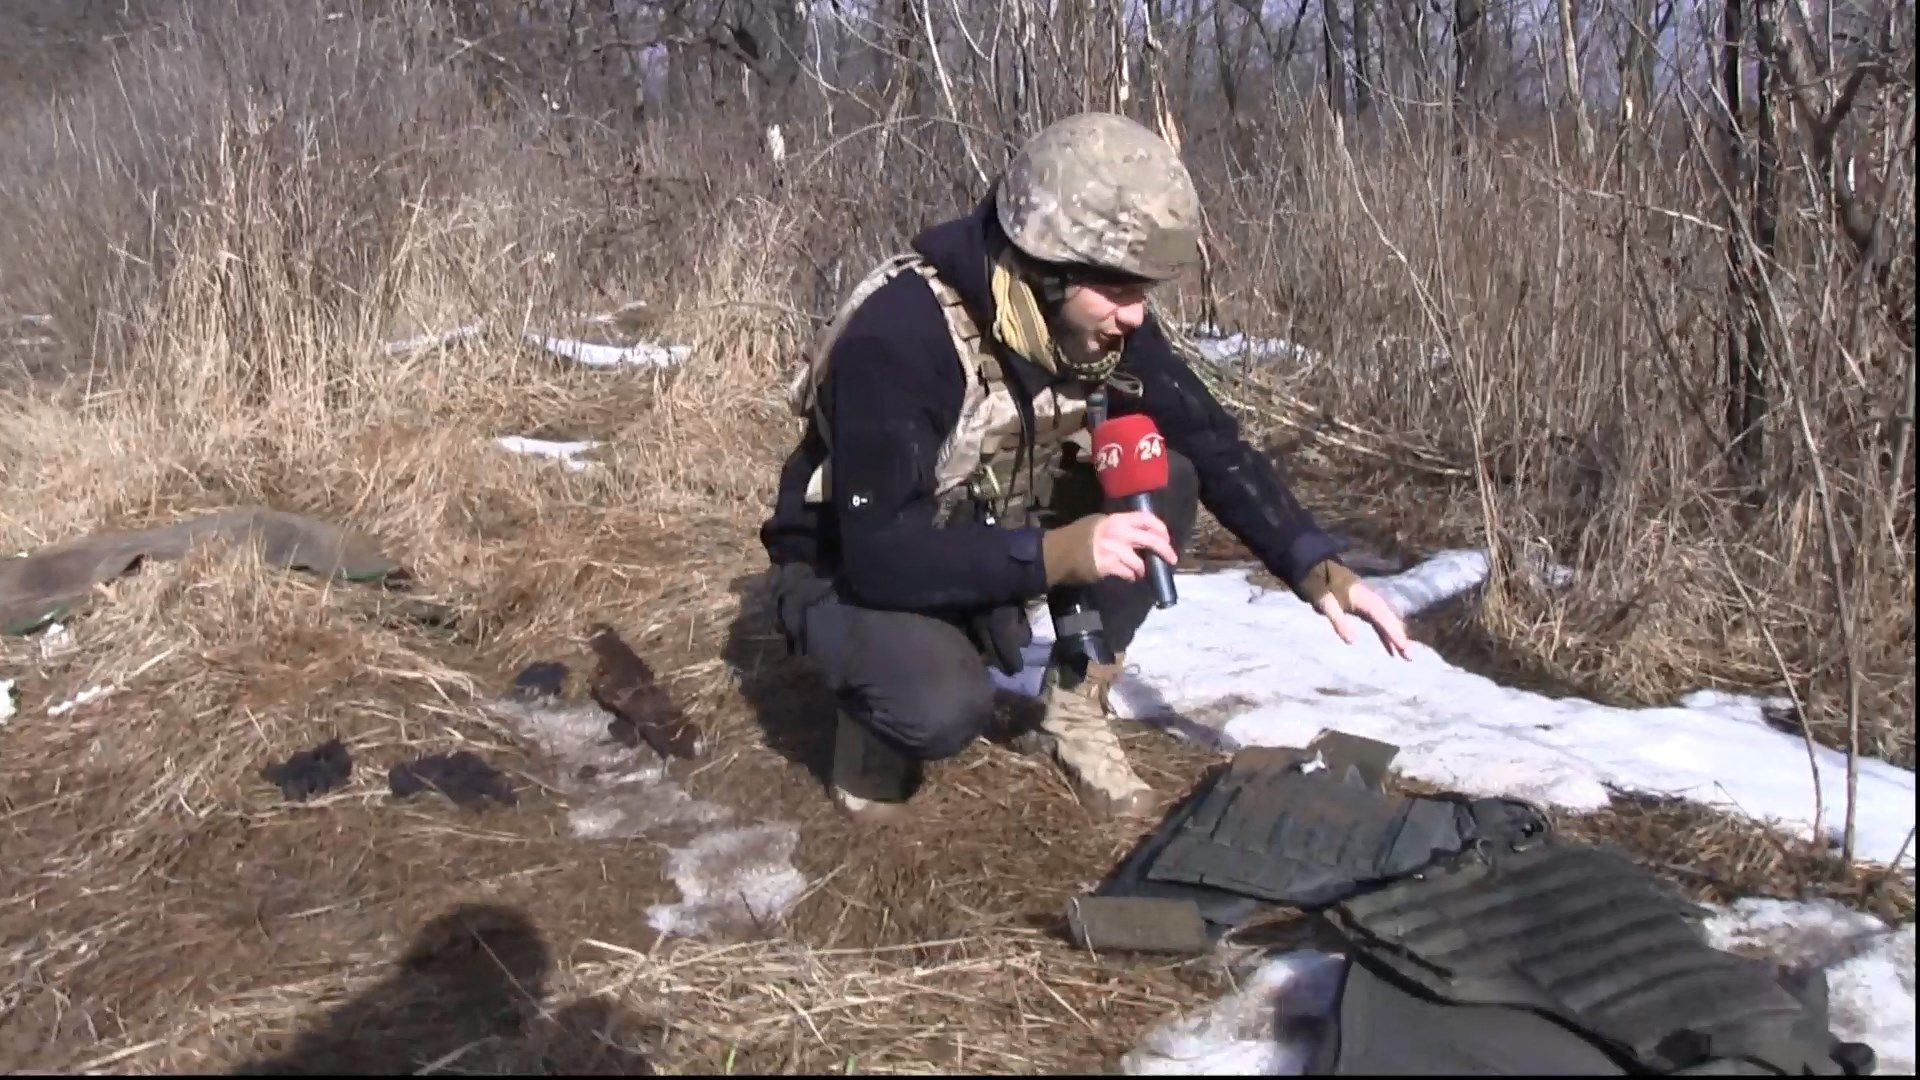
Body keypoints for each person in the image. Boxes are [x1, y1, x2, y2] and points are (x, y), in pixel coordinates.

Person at [758, 112, 1412, 822]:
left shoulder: (1092, 320)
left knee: (1169, 473)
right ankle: (875, 711)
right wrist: (1064, 553)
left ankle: (1070, 707)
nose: (1136, 317)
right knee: (940, 705)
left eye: (1143, 293)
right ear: (1046, 270)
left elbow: (1212, 441)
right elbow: (880, 552)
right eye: (1120, 291)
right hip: (855, 568)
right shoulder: (903, 336)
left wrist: (1315, 566)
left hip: (982, 527)